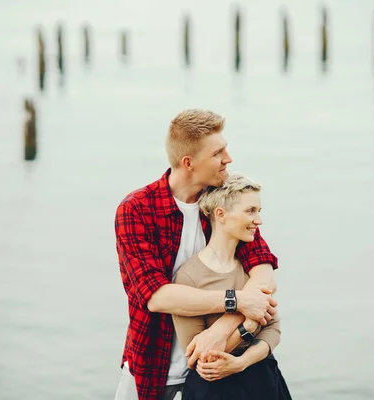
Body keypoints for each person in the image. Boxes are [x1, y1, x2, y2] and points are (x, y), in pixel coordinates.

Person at [114, 109, 279, 400]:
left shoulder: (224, 200)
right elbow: (156, 297)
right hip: (153, 367)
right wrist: (237, 301)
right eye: (218, 153)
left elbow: (262, 269)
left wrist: (220, 330)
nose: (228, 159)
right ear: (188, 163)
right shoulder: (137, 209)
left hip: (221, 367)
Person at [172, 172, 292, 399]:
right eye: (250, 211)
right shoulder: (189, 277)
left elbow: (273, 329)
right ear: (221, 215)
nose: (259, 220)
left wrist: (240, 362)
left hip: (263, 379)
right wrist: (246, 325)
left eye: (258, 211)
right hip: (212, 388)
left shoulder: (254, 270)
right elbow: (200, 358)